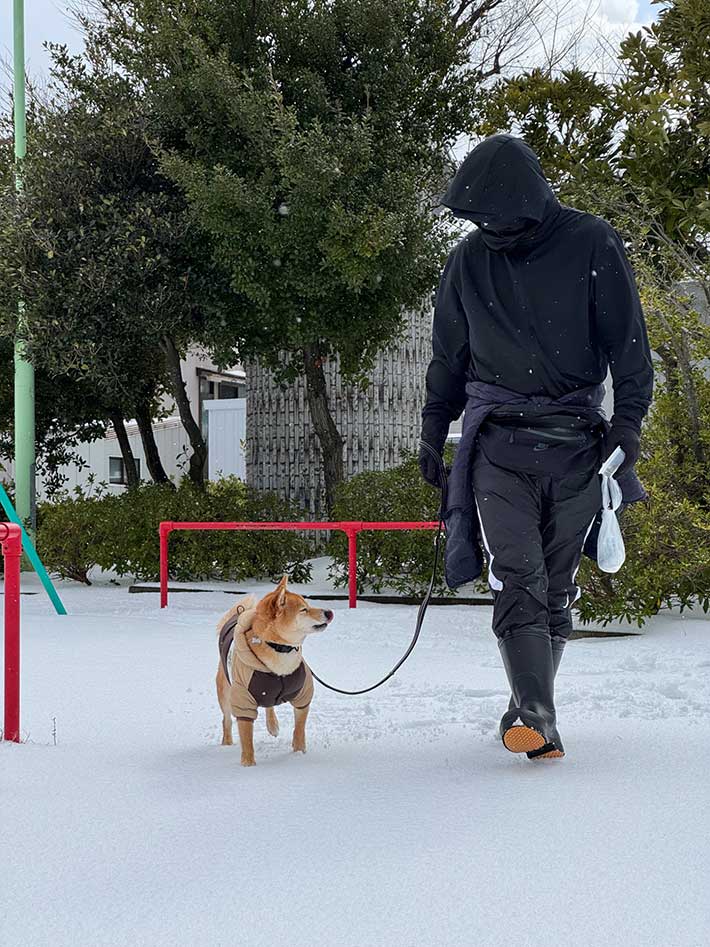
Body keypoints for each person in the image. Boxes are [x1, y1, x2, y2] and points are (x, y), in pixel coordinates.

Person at [419, 133, 653, 760]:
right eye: (478, 218)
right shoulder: (467, 262)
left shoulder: (591, 242)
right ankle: (536, 715)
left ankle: (531, 709)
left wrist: (627, 428)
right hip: (497, 443)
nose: (488, 226)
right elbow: (448, 359)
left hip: (578, 443)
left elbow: (630, 350)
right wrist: (431, 431)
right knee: (516, 575)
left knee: (554, 583)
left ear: (527, 199)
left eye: (497, 214)